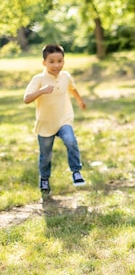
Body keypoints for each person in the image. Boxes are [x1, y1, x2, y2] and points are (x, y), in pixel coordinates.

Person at [23, 44, 87, 196]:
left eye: (60, 61)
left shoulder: (66, 76)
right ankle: (44, 179)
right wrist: (42, 91)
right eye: (51, 61)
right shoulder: (38, 79)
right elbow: (26, 99)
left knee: (71, 141)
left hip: (64, 119)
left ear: (63, 61)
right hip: (45, 123)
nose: (56, 65)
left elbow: (72, 88)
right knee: (46, 156)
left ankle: (76, 171)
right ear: (44, 62)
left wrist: (79, 100)